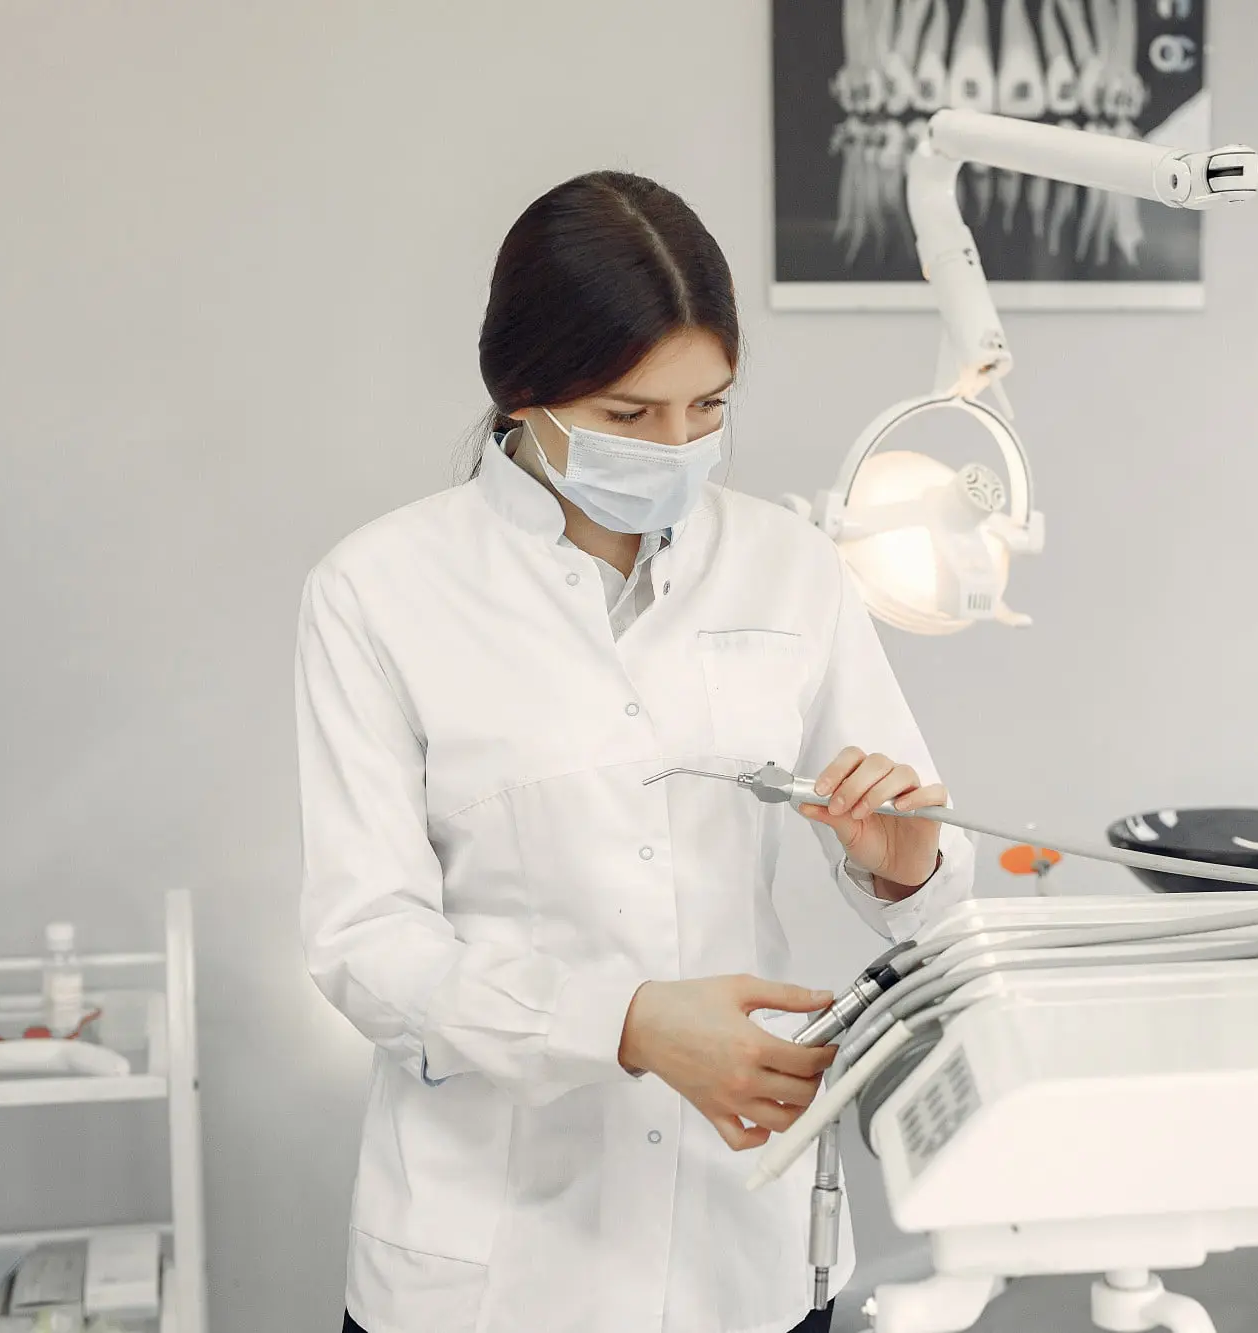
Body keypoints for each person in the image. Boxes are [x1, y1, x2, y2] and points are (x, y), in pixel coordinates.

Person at [293, 170, 974, 1333]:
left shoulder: (787, 565)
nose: (676, 446)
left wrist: (903, 857)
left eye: (707, 407)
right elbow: (367, 945)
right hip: (489, 1267)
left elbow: (925, 901)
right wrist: (623, 1023)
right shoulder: (378, 591)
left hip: (738, 1247)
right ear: (521, 391)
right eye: (627, 414)